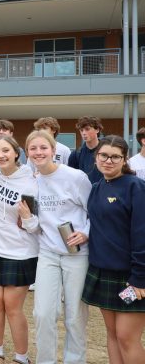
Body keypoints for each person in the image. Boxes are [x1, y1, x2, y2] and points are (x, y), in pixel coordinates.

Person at [26, 130, 91, 363]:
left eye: (43, 147)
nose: (38, 152)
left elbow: (95, 212)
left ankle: (75, 360)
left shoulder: (76, 177)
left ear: (54, 151)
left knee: (74, 317)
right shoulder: (32, 181)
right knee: (42, 314)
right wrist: (26, 219)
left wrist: (86, 232)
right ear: (27, 152)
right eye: (33, 148)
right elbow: (35, 224)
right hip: (48, 253)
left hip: (77, 255)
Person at [82, 135, 145, 363]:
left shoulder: (136, 187)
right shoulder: (97, 187)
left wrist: (139, 278)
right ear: (96, 157)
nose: (108, 161)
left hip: (132, 277)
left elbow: (142, 234)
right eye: (103, 155)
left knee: (127, 338)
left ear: (124, 159)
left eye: (115, 156)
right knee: (112, 334)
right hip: (103, 272)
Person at [0, 136, 39, 364]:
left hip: (20, 253)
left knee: (13, 308)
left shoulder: (31, 183)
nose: (1, 155)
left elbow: (35, 227)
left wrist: (28, 218)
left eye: (6, 151)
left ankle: (21, 357)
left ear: (16, 153)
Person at [68, 115, 103, 184]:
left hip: (104, 192)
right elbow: (71, 178)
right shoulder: (75, 154)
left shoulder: (107, 151)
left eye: (87, 129)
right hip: (84, 193)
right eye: (81, 130)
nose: (84, 133)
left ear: (97, 130)